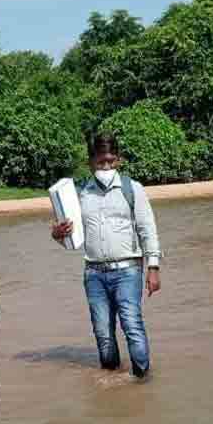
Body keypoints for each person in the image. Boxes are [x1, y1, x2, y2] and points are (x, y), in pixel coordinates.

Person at [51, 133, 162, 378]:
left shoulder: (132, 189)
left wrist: (153, 267)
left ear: (119, 160)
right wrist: (57, 234)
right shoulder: (79, 195)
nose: (106, 167)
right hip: (94, 274)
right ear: (91, 162)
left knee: (132, 325)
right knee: (103, 333)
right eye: (101, 162)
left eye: (111, 161)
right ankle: (111, 374)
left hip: (128, 270)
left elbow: (147, 229)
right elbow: (70, 239)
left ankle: (142, 381)